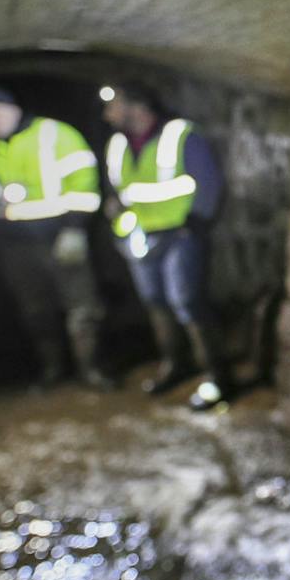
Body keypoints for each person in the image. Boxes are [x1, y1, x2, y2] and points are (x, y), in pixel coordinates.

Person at [0, 85, 110, 388]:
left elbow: (84, 183)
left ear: (15, 109)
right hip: (15, 246)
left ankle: (92, 369)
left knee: (82, 306)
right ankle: (52, 370)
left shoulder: (56, 134)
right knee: (35, 310)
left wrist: (75, 230)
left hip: (60, 237)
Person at [100, 82, 234, 410]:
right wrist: (117, 216)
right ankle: (175, 364)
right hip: (140, 236)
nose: (107, 114)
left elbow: (208, 183)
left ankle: (217, 375)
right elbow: (118, 189)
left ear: (137, 104)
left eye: (114, 104)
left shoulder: (179, 135)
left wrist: (195, 224)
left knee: (187, 301)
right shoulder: (117, 144)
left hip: (180, 234)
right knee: (155, 302)